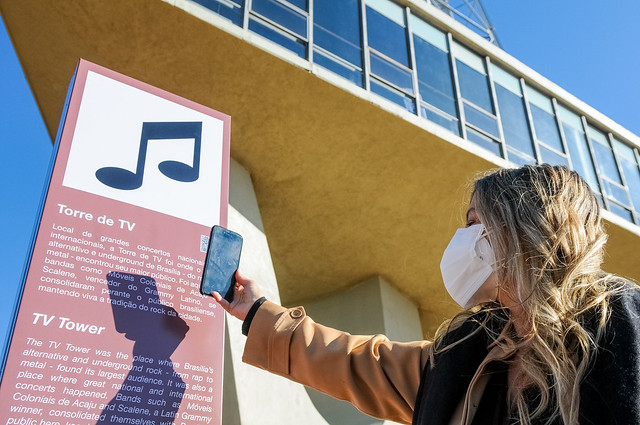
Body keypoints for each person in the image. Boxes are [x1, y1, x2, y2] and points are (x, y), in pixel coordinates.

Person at [211, 164, 640, 425]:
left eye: (475, 223)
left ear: (522, 230)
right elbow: (360, 364)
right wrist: (258, 312)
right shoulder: (466, 357)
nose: (462, 238)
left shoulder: (626, 325)